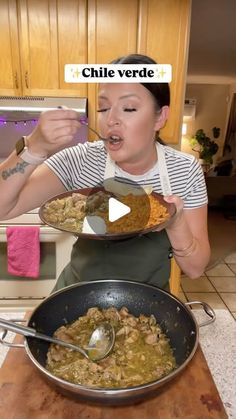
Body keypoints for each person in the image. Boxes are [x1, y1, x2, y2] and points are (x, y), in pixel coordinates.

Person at [0, 54, 210, 292]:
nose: (110, 120)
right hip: (76, 298)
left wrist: (176, 221)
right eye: (103, 107)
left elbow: (195, 269)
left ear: (159, 117)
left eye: (128, 108)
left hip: (146, 305)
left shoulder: (183, 170)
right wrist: (33, 147)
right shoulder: (80, 160)